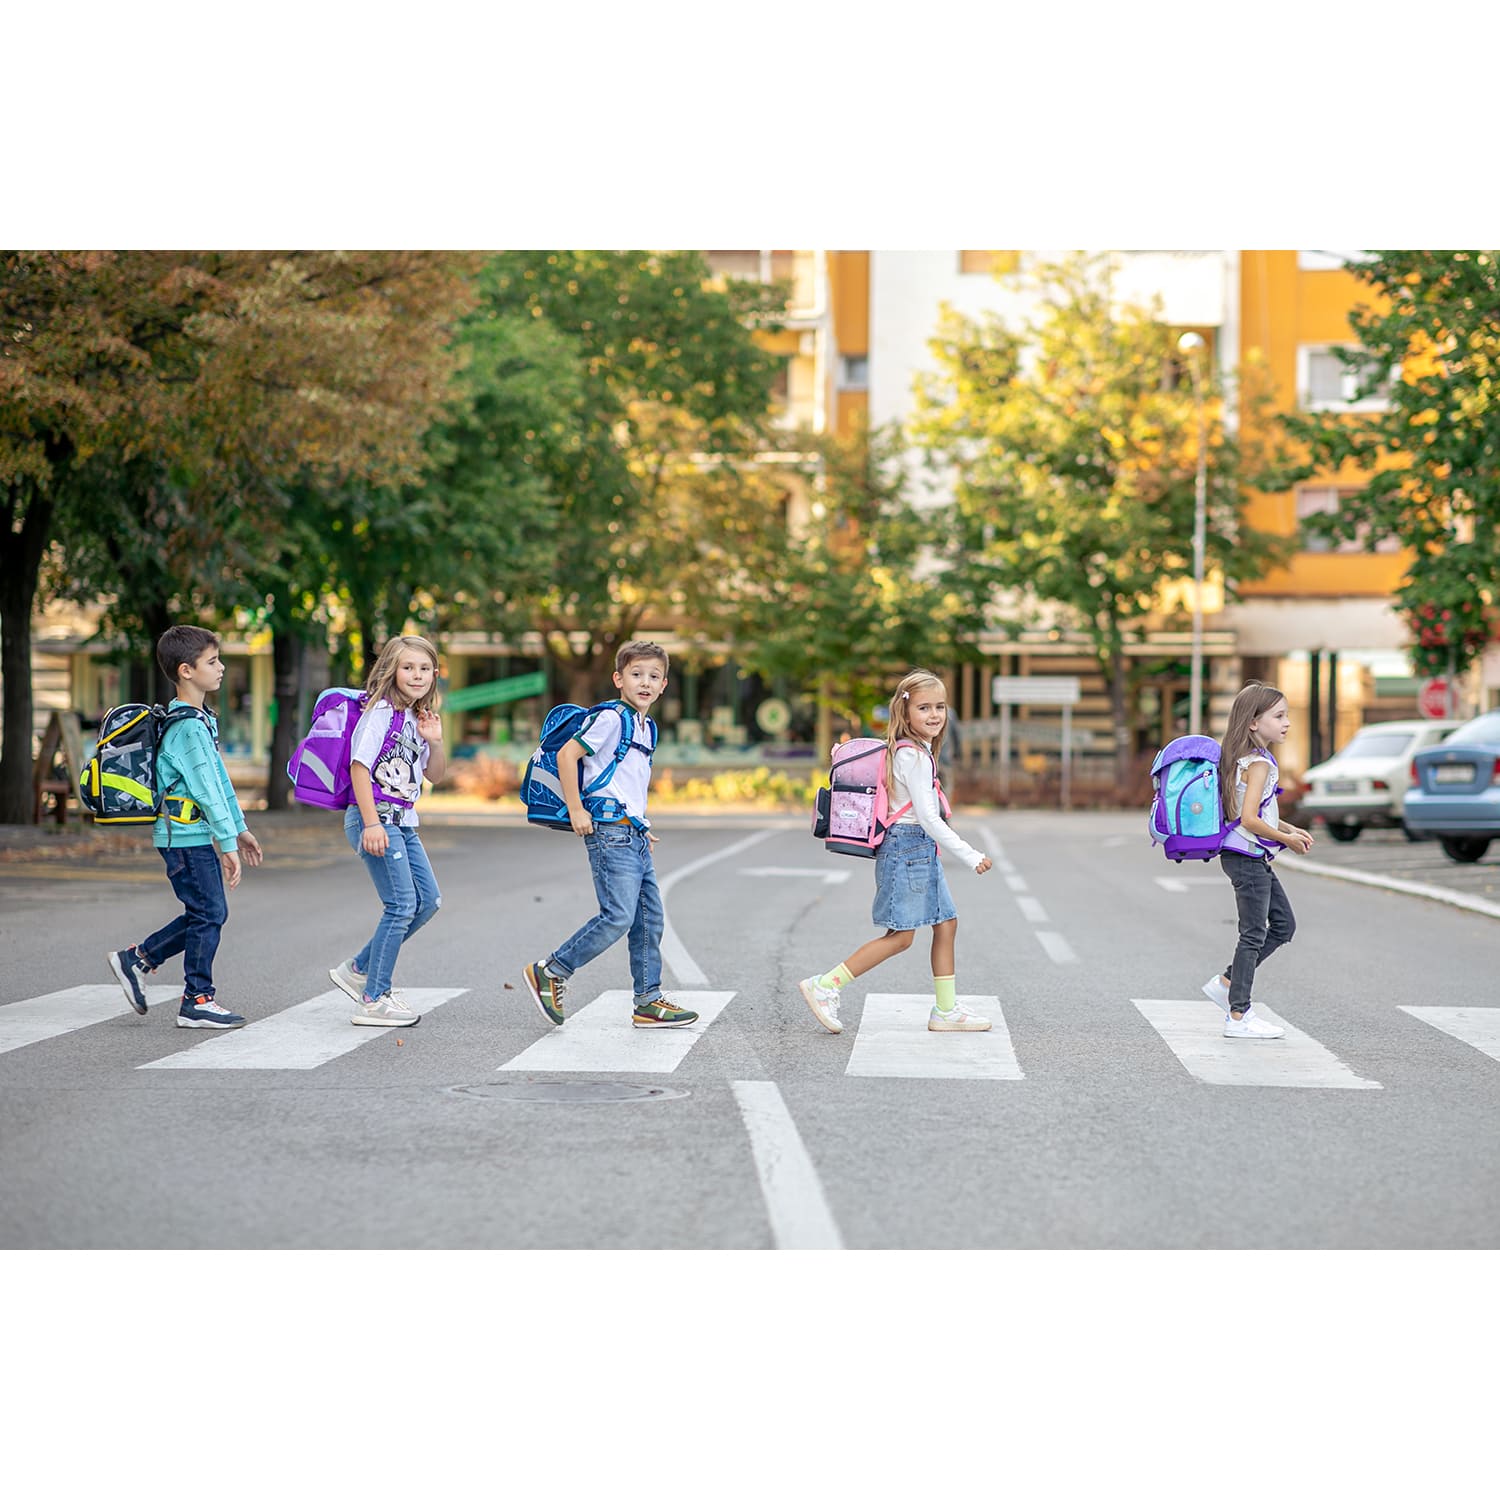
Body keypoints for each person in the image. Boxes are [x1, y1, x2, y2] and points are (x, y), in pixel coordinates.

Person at [799, 669, 993, 1035]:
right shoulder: (913, 757)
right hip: (908, 849)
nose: (934, 714)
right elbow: (930, 818)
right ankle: (825, 985)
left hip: (918, 850)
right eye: (924, 708)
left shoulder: (915, 751)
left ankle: (946, 1010)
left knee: (946, 924)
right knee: (901, 937)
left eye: (940, 706)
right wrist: (970, 855)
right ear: (905, 714)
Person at [522, 641, 699, 1030]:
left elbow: (626, 781)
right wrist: (576, 809)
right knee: (618, 916)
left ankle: (648, 1002)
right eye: (636, 674)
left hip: (632, 833)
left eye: (654, 676)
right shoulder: (611, 718)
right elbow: (569, 756)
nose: (645, 682)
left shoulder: (645, 725)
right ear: (619, 679)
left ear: (665, 684)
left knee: (648, 919)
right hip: (607, 831)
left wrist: (639, 824)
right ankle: (551, 971)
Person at [105, 625, 264, 1028]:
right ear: (186, 671)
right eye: (212, 661)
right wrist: (227, 843)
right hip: (184, 839)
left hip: (189, 837)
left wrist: (239, 829)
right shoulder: (188, 727)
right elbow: (207, 792)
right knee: (209, 912)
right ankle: (196, 998)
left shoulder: (199, 719)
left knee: (206, 912)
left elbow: (219, 781)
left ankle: (138, 959)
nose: (222, 668)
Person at [327, 636, 446, 1027]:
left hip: (404, 823)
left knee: (428, 901)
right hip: (374, 818)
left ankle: (359, 967)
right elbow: (359, 769)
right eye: (409, 667)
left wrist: (436, 741)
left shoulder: (417, 719)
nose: (417, 675)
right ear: (392, 671)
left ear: (434, 674)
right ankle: (373, 997)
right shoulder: (380, 713)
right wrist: (372, 824)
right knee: (400, 905)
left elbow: (436, 775)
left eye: (425, 669)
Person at [1201, 681, 1315, 1039]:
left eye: (1287, 716)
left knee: (1283, 926)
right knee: (1253, 934)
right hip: (1246, 857)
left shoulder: (1246, 758)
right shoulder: (1258, 763)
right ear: (1253, 722)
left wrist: (1289, 827)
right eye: (1278, 716)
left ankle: (1226, 983)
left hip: (1246, 855)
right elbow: (1250, 820)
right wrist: (1287, 840)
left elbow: (1251, 812)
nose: (1286, 723)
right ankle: (1238, 1015)